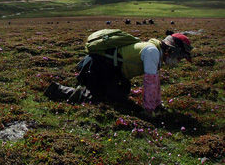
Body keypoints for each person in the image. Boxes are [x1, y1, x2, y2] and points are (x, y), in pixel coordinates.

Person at [44, 32, 192, 114]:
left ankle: (95, 89)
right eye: (180, 57)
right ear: (172, 50)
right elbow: (150, 83)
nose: (179, 61)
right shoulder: (153, 52)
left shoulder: (155, 50)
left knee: (121, 95)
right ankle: (58, 90)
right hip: (98, 68)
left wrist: (157, 105)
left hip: (107, 69)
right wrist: (149, 110)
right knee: (103, 98)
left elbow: (155, 82)